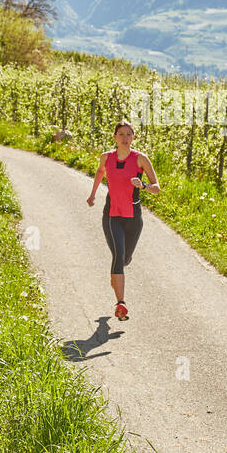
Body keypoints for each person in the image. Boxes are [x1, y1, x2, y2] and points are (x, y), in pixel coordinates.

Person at [86, 121, 160, 321]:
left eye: (129, 134)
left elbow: (157, 187)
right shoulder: (106, 157)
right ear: (115, 137)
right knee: (118, 255)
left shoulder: (140, 159)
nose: (125, 137)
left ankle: (118, 277)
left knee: (125, 259)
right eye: (121, 134)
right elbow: (101, 172)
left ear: (133, 137)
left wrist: (143, 185)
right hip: (112, 215)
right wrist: (93, 194)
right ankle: (121, 303)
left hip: (134, 218)